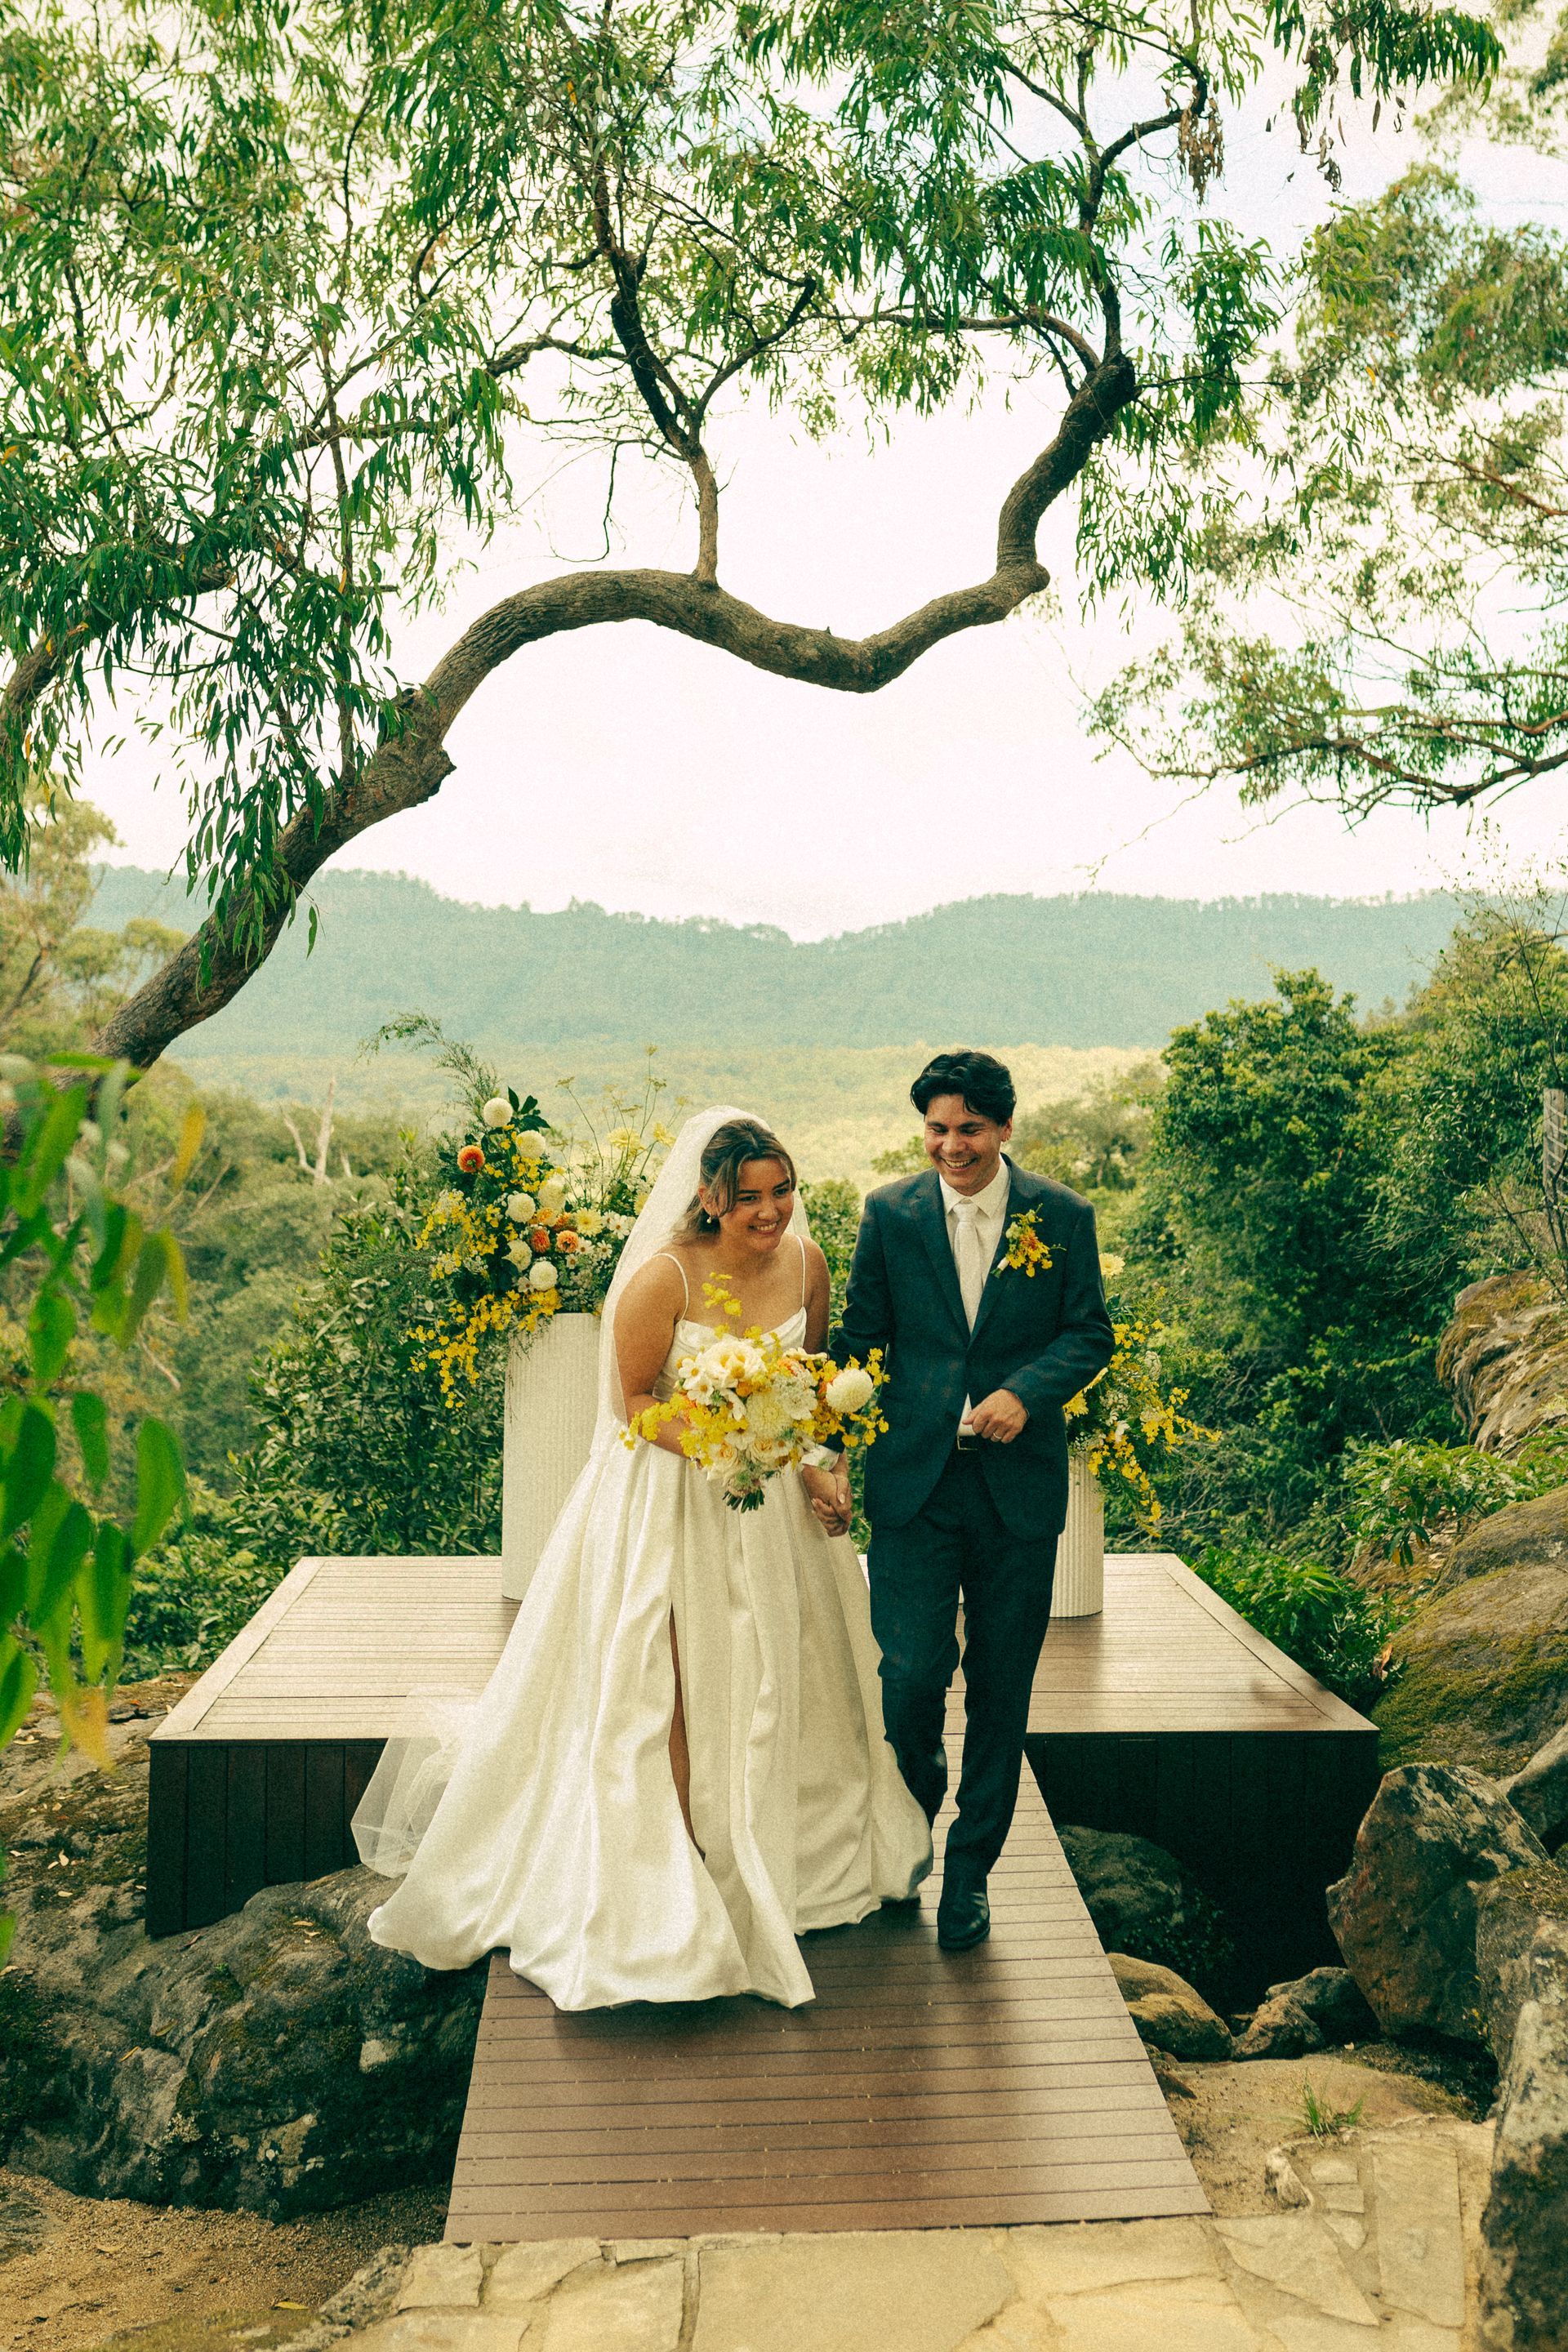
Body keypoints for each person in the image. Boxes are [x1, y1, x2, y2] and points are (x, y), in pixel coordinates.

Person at [352, 1108, 931, 2011]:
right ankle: (680, 1860)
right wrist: (721, 1441)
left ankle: (784, 1844)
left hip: (768, 1499)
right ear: (709, 1198)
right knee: (667, 1679)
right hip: (668, 1500)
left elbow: (813, 1387)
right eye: (751, 1199)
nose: (772, 1213)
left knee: (787, 1667)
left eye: (783, 1194)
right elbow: (631, 1405)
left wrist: (820, 1466)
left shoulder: (810, 1267)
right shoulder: (663, 1278)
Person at [823, 1050, 1113, 1951]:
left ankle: (972, 1871)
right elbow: (861, 1339)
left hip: (1016, 1494)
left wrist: (1027, 1392)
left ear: (1005, 1128)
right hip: (915, 1483)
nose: (953, 1146)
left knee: (1001, 1688)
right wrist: (828, 1448)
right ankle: (912, 1816)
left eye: (970, 1130)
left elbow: (1088, 1330)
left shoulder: (1061, 1216)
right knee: (908, 1679)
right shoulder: (889, 1213)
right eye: (938, 1130)